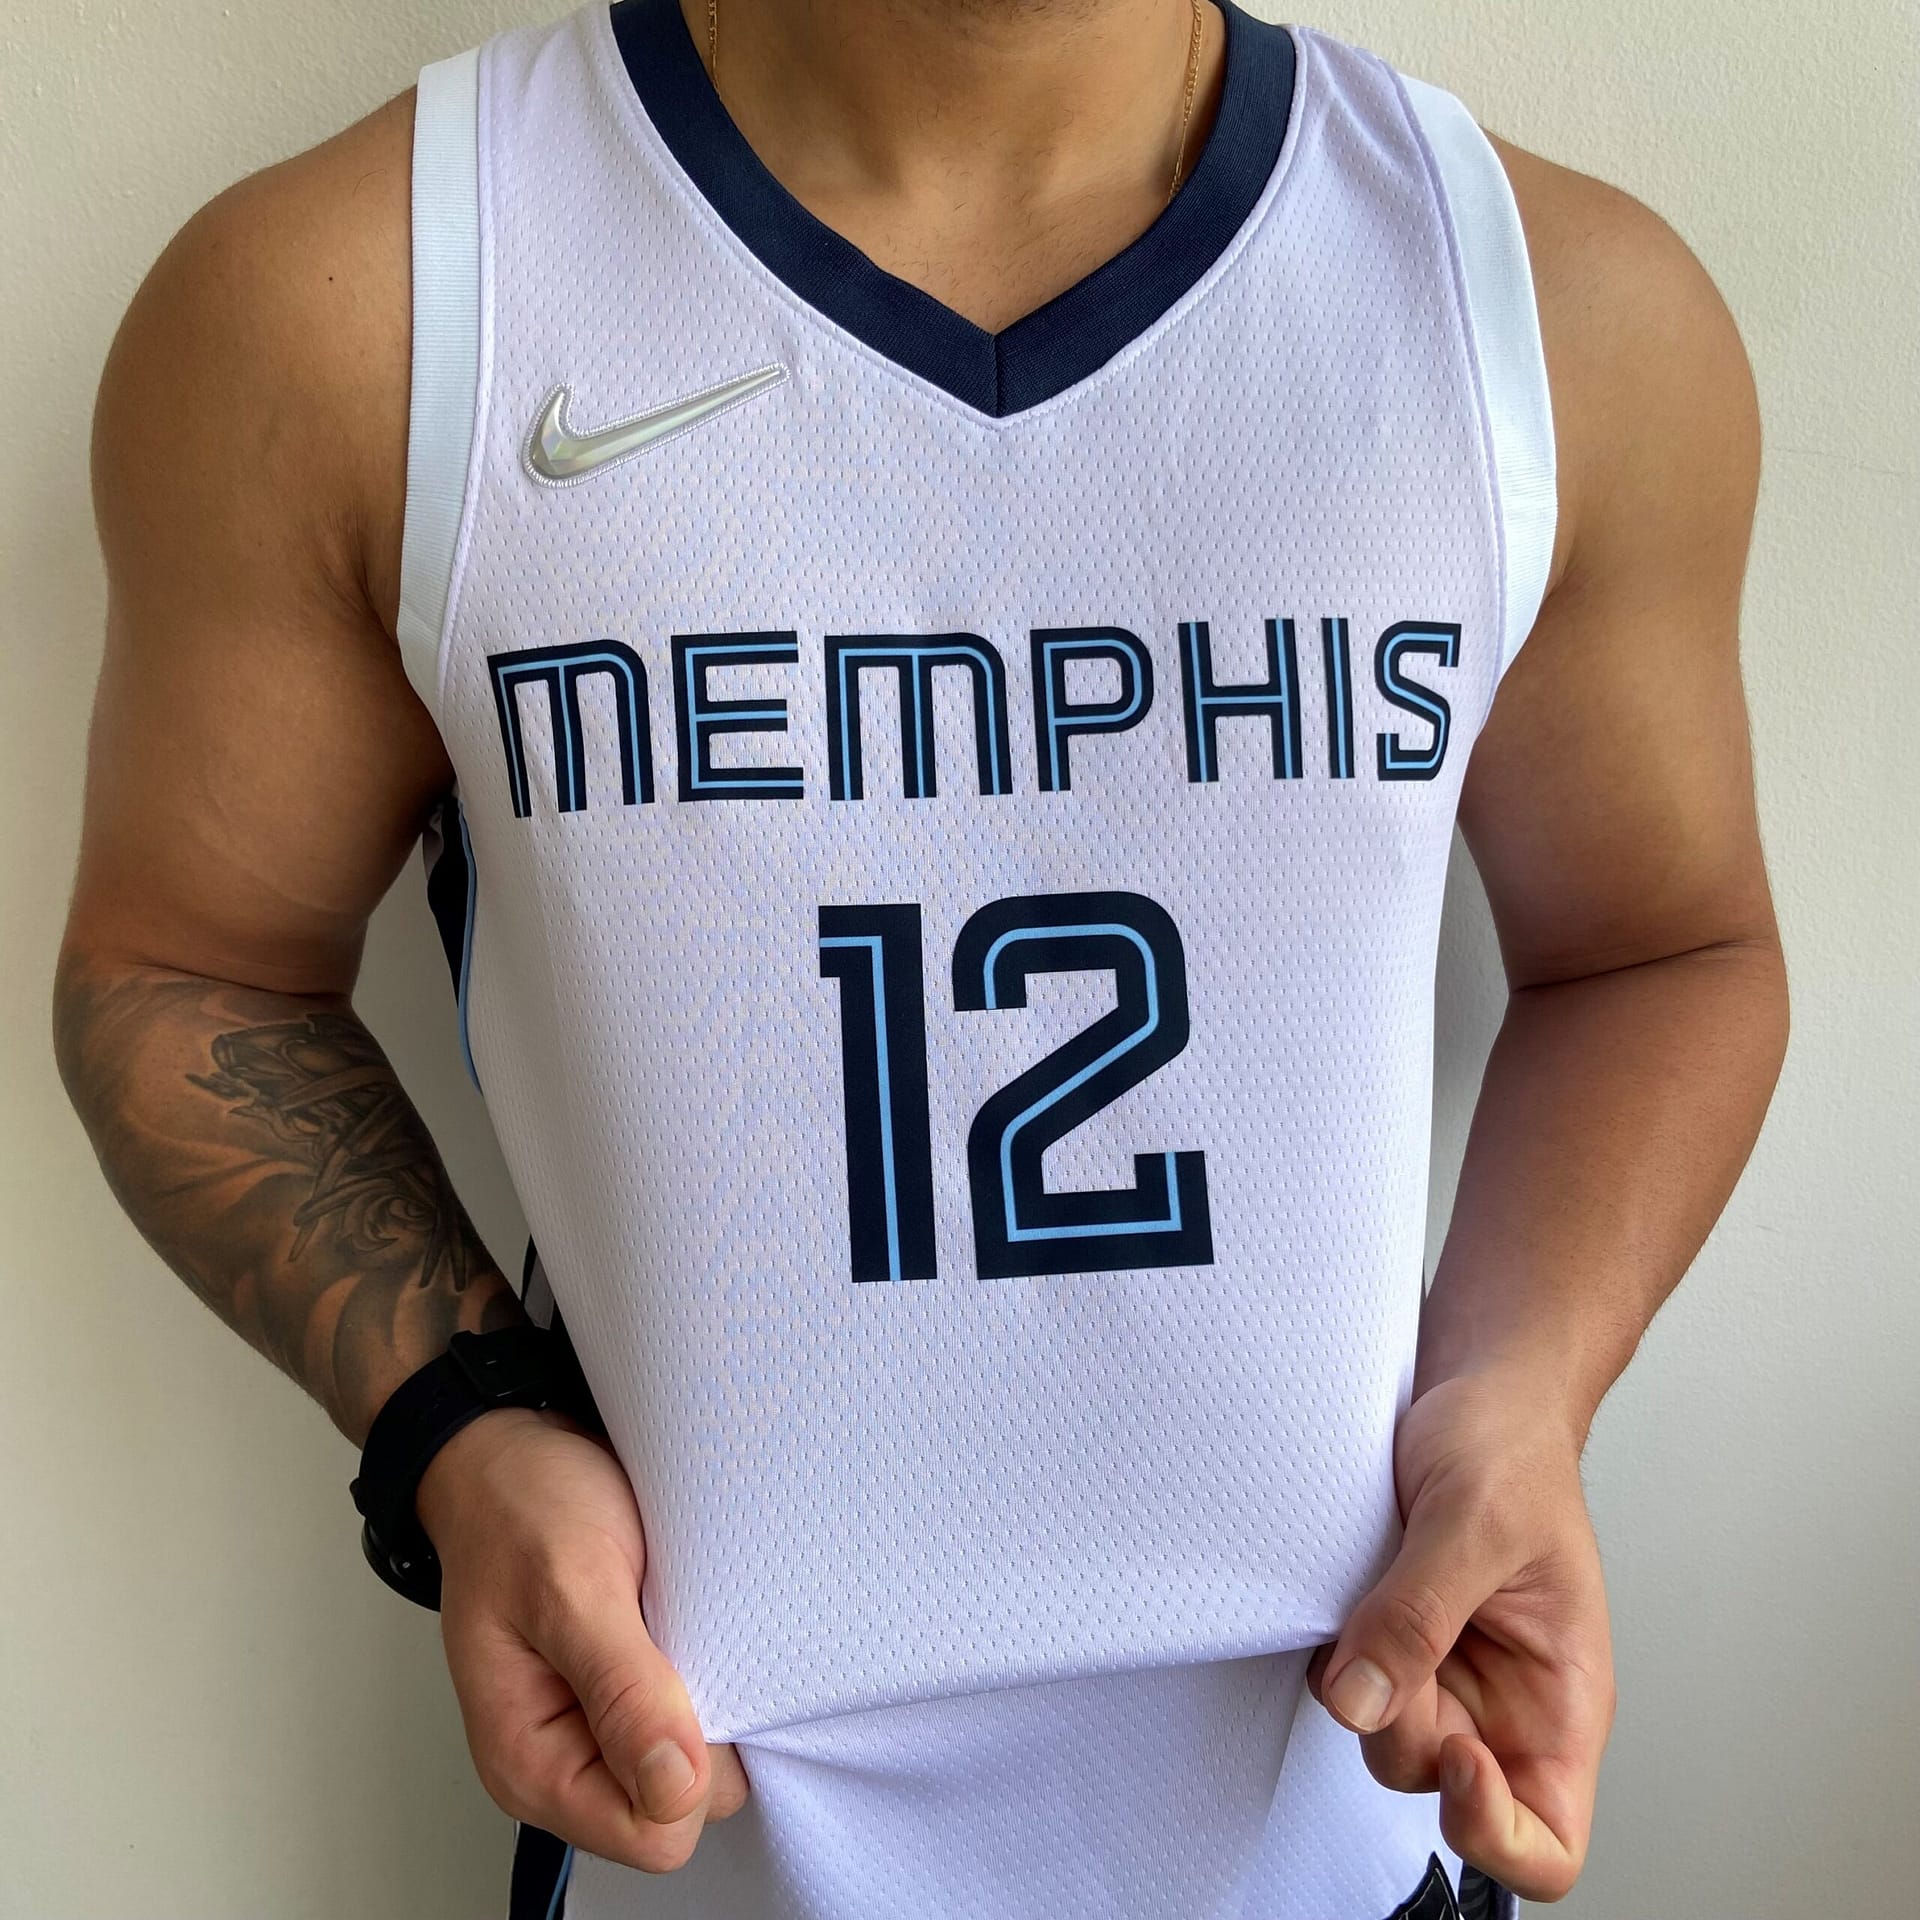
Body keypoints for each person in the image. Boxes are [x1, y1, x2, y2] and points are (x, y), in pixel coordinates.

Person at [52, 0, 1787, 1912]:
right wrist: (459, 1431)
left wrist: (1520, 1398)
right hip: (699, 1833)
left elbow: (1657, 948)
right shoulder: (360, 299)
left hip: (1366, 1816)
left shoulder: (1545, 314)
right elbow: (191, 967)